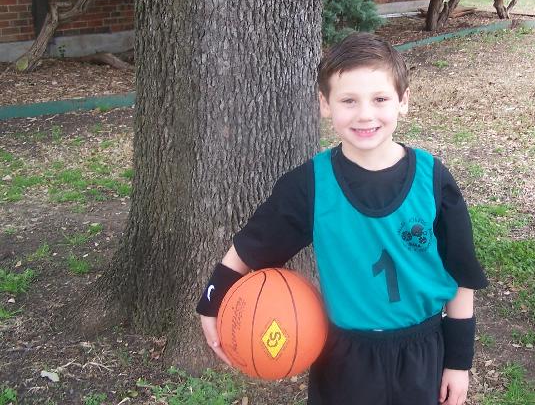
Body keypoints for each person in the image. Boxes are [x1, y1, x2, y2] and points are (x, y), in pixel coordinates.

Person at [196, 32, 488, 405]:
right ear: (325, 104)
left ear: (403, 101)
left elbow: (460, 275)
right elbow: (252, 246)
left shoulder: (432, 180)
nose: (365, 114)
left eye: (380, 99)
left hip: (422, 351)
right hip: (344, 358)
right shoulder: (311, 185)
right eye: (348, 100)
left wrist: (458, 362)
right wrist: (211, 302)